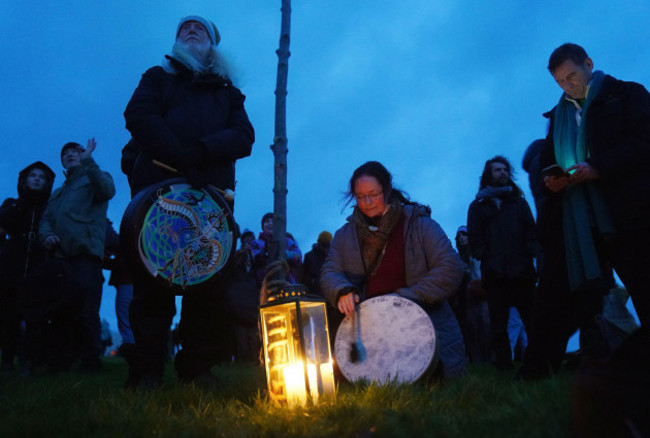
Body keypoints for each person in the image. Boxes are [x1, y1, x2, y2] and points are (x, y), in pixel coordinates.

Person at [122, 15, 255, 389]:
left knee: (209, 287)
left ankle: (196, 369)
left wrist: (200, 151)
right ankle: (147, 371)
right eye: (184, 28)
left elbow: (243, 136)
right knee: (151, 286)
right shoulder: (157, 78)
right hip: (158, 199)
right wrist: (181, 158)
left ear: (213, 44)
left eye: (200, 29)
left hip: (210, 199)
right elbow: (139, 115)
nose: (190, 30)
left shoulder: (228, 92)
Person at [520, 43, 650, 379]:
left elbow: (644, 143)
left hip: (627, 213)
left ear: (589, 64)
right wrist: (553, 178)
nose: (568, 86)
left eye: (572, 76)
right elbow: (549, 158)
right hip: (577, 222)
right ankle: (536, 371)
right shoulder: (559, 116)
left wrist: (597, 167)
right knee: (554, 297)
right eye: (560, 81)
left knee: (643, 283)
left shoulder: (626, 95)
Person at [321, 161, 467, 379]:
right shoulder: (345, 235)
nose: (367, 202)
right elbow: (330, 271)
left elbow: (450, 267)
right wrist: (342, 290)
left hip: (420, 324)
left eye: (373, 194)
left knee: (426, 381)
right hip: (368, 330)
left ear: (387, 191)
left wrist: (404, 298)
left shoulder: (420, 225)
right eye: (360, 197)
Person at [38, 139, 115, 373]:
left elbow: (107, 190)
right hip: (61, 257)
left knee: (86, 309)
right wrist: (47, 235)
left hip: (86, 254)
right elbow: (45, 220)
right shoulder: (58, 193)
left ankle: (91, 362)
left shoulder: (95, 177)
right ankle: (61, 362)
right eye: (66, 153)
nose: (70, 155)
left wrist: (89, 160)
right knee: (60, 309)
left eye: (75, 151)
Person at [467, 155, 537, 370]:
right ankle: (504, 366)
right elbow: (474, 235)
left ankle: (538, 361)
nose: (503, 173)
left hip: (522, 271)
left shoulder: (518, 202)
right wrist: (485, 254)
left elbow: (531, 229)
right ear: (489, 174)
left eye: (505, 169)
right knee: (499, 324)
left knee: (532, 319)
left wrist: (528, 252)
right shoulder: (478, 206)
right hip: (496, 273)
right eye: (498, 170)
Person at [0, 162, 55, 375]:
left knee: (34, 317)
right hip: (10, 265)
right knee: (8, 316)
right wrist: (22, 202)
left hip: (38, 266)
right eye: (32, 175)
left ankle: (29, 361)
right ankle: (6, 362)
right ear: (24, 180)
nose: (37, 179)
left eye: (41, 176)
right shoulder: (12, 203)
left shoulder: (50, 208)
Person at [451, 226, 491, 364]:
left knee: (485, 326)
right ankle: (476, 359)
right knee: (470, 328)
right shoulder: (456, 257)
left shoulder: (476, 253)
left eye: (464, 234)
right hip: (464, 298)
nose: (462, 238)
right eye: (459, 236)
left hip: (481, 293)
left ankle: (489, 359)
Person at [226, 228, 262, 364]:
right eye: (246, 240)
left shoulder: (258, 256)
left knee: (254, 336)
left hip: (253, 301)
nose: (249, 243)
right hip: (239, 303)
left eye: (251, 240)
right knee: (241, 337)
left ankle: (255, 363)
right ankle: (243, 364)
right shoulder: (237, 257)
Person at [103, 219, 135, 355]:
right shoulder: (127, 242)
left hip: (126, 281)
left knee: (125, 313)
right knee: (126, 314)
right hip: (126, 281)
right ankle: (131, 345)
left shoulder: (124, 244)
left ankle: (130, 345)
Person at [250, 213, 302, 285]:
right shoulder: (256, 243)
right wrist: (263, 253)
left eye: (273, 221)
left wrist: (287, 255)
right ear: (263, 226)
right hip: (263, 284)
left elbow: (298, 256)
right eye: (267, 221)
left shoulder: (287, 240)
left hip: (287, 283)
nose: (270, 223)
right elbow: (251, 258)